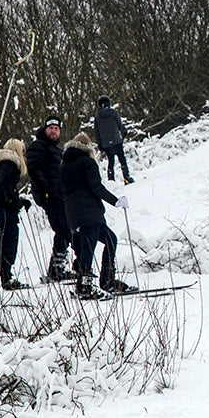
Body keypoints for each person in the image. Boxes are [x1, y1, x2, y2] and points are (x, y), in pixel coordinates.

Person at [60, 132, 130, 297]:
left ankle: (105, 281)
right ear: (88, 147)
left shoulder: (64, 165)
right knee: (90, 248)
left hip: (74, 215)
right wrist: (116, 201)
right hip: (89, 214)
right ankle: (86, 286)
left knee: (107, 241)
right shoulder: (87, 162)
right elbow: (96, 187)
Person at [25, 116, 75, 281]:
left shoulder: (57, 150)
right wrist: (45, 189)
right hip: (49, 196)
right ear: (45, 129)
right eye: (50, 128)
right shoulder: (39, 146)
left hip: (60, 196)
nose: (53, 131)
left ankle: (58, 267)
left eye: (56, 129)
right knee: (62, 229)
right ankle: (56, 269)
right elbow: (33, 168)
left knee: (66, 229)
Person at [0, 138, 32, 289]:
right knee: (8, 244)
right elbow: (5, 184)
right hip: (3, 211)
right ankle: (6, 277)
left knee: (1, 244)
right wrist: (12, 200)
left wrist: (17, 200)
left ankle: (4, 275)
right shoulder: (9, 163)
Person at [94, 96, 133, 184]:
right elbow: (119, 124)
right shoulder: (113, 113)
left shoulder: (97, 117)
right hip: (116, 140)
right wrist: (124, 132)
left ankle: (111, 180)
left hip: (105, 143)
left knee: (110, 161)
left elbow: (97, 132)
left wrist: (99, 144)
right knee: (122, 158)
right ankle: (126, 177)